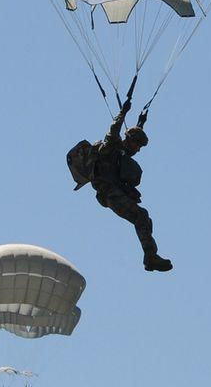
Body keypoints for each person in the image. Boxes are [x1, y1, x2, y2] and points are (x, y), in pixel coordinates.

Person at [74, 98, 173, 271]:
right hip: (109, 192)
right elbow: (114, 131)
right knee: (141, 216)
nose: (138, 150)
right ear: (130, 141)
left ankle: (150, 256)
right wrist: (122, 112)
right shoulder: (112, 145)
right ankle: (150, 257)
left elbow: (130, 139)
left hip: (114, 192)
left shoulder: (122, 151)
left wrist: (141, 122)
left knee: (144, 218)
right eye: (138, 146)